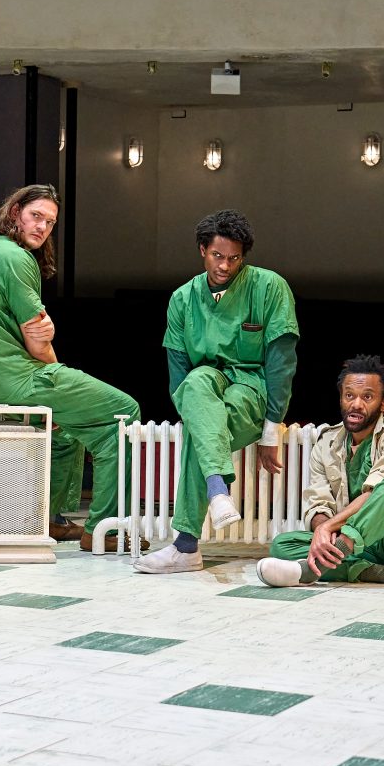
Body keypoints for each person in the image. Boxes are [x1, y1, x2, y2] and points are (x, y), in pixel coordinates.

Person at [0, 185, 140, 549]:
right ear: (14, 214)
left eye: (50, 222)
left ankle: (46, 519)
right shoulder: (15, 258)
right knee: (125, 410)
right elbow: (37, 339)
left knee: (68, 432)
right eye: (35, 216)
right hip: (14, 378)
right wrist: (55, 377)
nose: (42, 227)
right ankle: (106, 530)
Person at [135, 209, 299, 574]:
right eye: (217, 256)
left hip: (250, 388)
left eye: (234, 258)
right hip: (203, 391)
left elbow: (281, 362)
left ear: (244, 256)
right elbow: (179, 377)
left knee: (203, 432)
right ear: (202, 251)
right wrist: (196, 412)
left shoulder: (269, 287)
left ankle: (186, 546)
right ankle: (216, 492)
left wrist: (272, 429)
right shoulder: (182, 299)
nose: (225, 265)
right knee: (195, 382)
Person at [258, 355, 384, 590]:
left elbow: (379, 491)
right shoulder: (327, 444)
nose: (356, 404)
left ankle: (312, 571)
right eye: (349, 396)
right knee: (282, 545)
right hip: (367, 546)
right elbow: (318, 503)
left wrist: (329, 528)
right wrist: (322, 532)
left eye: (367, 397)